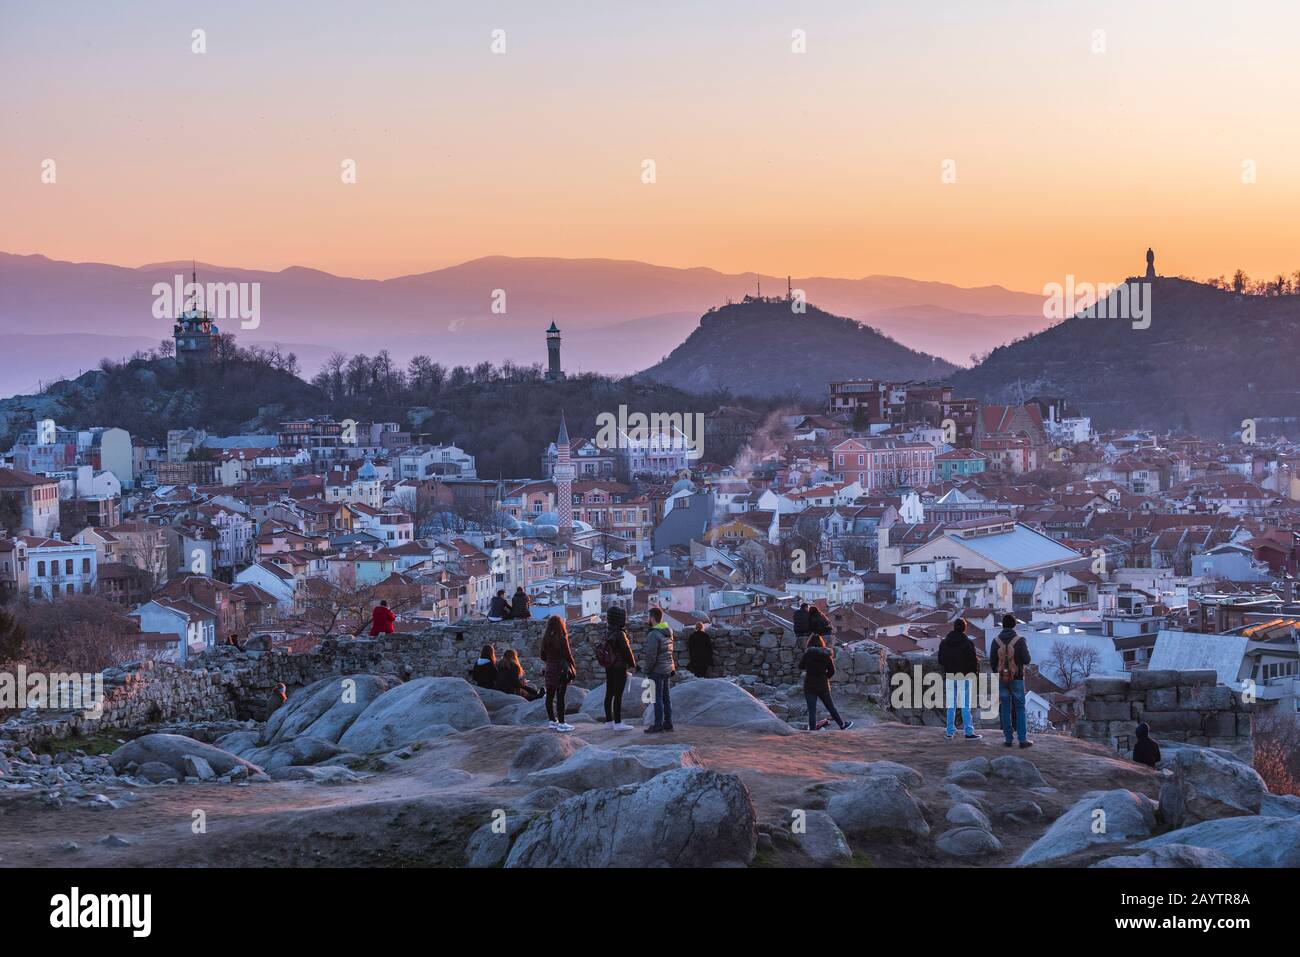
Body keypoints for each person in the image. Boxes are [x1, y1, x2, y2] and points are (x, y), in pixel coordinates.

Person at [991, 613, 1032, 749]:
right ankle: (1022, 740)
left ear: (1003, 625)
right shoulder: (1020, 640)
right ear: (1015, 625)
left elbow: (992, 661)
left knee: (1005, 708)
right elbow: (1027, 660)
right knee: (1020, 708)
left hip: (1002, 678)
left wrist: (1000, 672)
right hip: (1017, 678)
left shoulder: (996, 641)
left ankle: (1008, 739)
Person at [937, 618, 982, 741]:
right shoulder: (968, 643)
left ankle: (949, 732)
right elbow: (973, 662)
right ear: (964, 628)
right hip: (964, 677)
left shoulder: (944, 643)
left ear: (954, 627)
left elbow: (940, 660)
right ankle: (968, 732)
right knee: (965, 705)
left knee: (951, 705)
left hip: (950, 676)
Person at [799, 635, 853, 731]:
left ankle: (812, 731)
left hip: (809, 685)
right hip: (822, 685)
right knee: (831, 707)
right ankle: (842, 725)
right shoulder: (826, 654)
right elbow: (832, 670)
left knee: (812, 710)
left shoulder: (807, 654)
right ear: (821, 643)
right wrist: (825, 677)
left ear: (809, 643)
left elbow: (800, 666)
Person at [596, 606, 636, 729]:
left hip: (609, 665)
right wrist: (633, 664)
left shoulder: (607, 631)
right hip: (619, 666)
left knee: (609, 693)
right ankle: (618, 723)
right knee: (618, 694)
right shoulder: (620, 633)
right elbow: (626, 651)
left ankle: (609, 722)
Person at [642, 607, 676, 734]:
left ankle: (658, 725)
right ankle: (668, 723)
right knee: (666, 698)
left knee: (657, 699)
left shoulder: (653, 634)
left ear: (652, 618)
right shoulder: (668, 631)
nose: (647, 619)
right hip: (667, 669)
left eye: (648, 617)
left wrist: (647, 670)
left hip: (656, 670)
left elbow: (651, 656)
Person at [540, 615, 576, 731]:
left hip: (550, 669)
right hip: (561, 670)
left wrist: (550, 661)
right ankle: (562, 723)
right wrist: (573, 666)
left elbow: (542, 656)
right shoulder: (562, 638)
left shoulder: (545, 638)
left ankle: (552, 721)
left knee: (549, 696)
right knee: (560, 697)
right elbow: (568, 655)